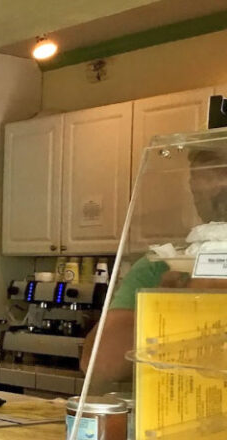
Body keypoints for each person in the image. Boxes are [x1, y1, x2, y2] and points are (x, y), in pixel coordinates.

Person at [80, 148, 227, 383]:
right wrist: (165, 307)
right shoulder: (160, 267)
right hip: (177, 410)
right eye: (208, 174)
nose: (220, 188)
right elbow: (99, 365)